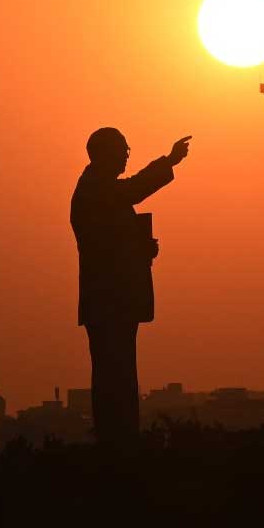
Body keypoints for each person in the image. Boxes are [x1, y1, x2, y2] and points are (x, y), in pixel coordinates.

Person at [71, 128, 192, 446]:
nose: (126, 155)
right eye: (122, 150)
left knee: (119, 377)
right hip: (109, 302)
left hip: (114, 302)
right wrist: (169, 161)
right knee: (116, 378)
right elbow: (133, 191)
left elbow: (113, 239)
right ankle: (118, 445)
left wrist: (140, 249)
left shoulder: (99, 189)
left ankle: (119, 440)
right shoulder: (96, 190)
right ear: (104, 154)